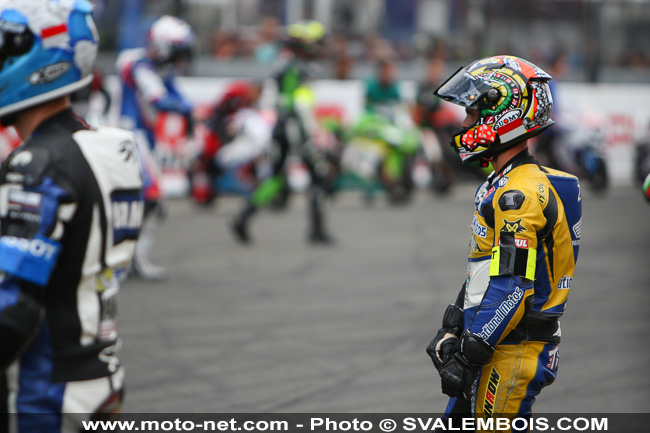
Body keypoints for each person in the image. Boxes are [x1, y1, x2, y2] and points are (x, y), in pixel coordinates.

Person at [0, 0, 143, 430]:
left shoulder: (38, 164)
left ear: (40, 60)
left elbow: (14, 308)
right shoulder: (111, 146)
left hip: (50, 393)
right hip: (100, 373)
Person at [425, 55, 582, 427]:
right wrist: (453, 325)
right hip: (498, 339)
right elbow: (487, 268)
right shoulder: (503, 184)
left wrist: (470, 353)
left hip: (512, 346)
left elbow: (515, 284)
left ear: (504, 114)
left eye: (472, 113)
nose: (464, 124)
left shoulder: (520, 195)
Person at [231, 20, 335, 244]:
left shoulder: (285, 63)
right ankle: (317, 230)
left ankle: (244, 216)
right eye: (316, 43)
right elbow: (299, 105)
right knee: (318, 174)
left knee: (276, 178)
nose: (320, 48)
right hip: (293, 128)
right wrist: (311, 134)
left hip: (282, 127)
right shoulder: (298, 67)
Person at [116, 15, 195, 280]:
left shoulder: (157, 68)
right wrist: (188, 110)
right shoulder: (137, 65)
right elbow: (160, 100)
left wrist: (188, 110)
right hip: (128, 136)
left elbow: (176, 93)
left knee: (154, 202)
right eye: (178, 52)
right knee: (151, 196)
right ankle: (126, 257)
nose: (181, 60)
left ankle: (133, 256)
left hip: (143, 138)